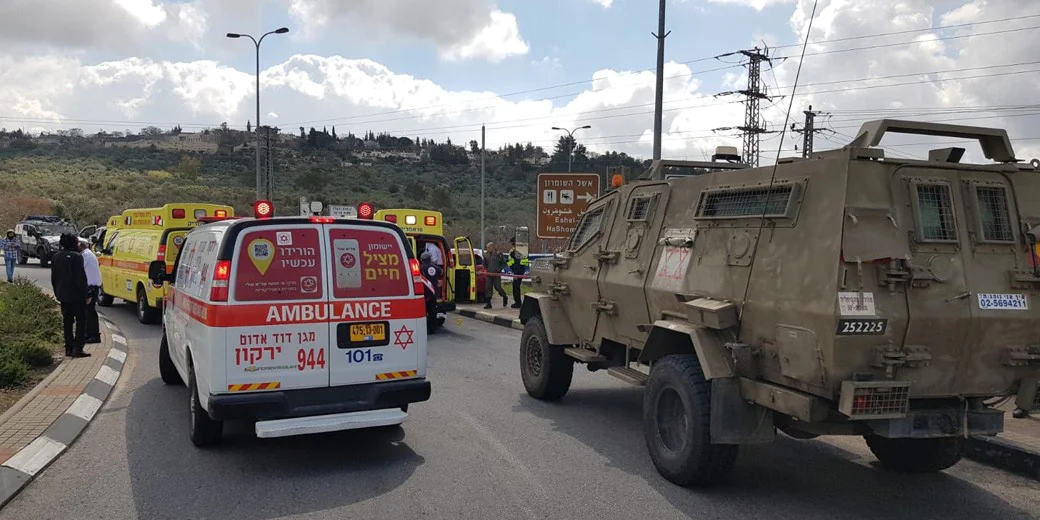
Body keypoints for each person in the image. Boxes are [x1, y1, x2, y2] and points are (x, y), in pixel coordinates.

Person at [51, 234, 91, 358]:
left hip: (63, 295)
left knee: (67, 322)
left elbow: (54, 278)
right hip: (76, 296)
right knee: (81, 322)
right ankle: (78, 348)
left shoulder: (56, 256)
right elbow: (81, 278)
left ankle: (68, 348)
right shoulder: (77, 257)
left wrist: (57, 293)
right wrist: (87, 294)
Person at [78, 239, 102, 344]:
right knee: (89, 312)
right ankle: (90, 334)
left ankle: (93, 335)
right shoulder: (89, 254)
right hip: (93, 287)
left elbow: (79, 270)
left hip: (90, 288)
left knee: (89, 313)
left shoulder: (85, 256)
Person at [483, 242, 508, 309]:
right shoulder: (485, 255)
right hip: (489, 274)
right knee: (488, 288)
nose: (487, 249)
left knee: (498, 287)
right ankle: (488, 303)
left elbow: (504, 263)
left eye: (488, 247)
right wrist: (485, 269)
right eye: (487, 247)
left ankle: (504, 296)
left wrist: (498, 269)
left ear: (492, 247)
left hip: (496, 274)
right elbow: (484, 263)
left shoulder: (498, 254)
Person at [506, 237, 528, 309]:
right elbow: (511, 262)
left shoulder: (519, 251)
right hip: (518, 271)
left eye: (512, 244)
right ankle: (517, 302)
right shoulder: (514, 251)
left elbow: (518, 263)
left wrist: (516, 273)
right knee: (515, 287)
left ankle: (518, 303)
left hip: (518, 271)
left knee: (516, 287)